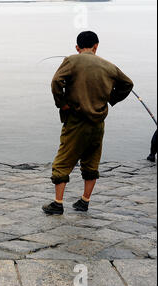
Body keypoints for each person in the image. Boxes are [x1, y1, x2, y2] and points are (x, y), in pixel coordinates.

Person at [42, 31, 134, 215]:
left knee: (63, 161)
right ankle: (85, 201)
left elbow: (56, 82)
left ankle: (58, 203)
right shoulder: (109, 66)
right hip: (98, 122)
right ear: (96, 46)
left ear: (77, 47)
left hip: (76, 120)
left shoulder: (72, 60)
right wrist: (111, 98)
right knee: (91, 162)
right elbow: (128, 84)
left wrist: (63, 103)